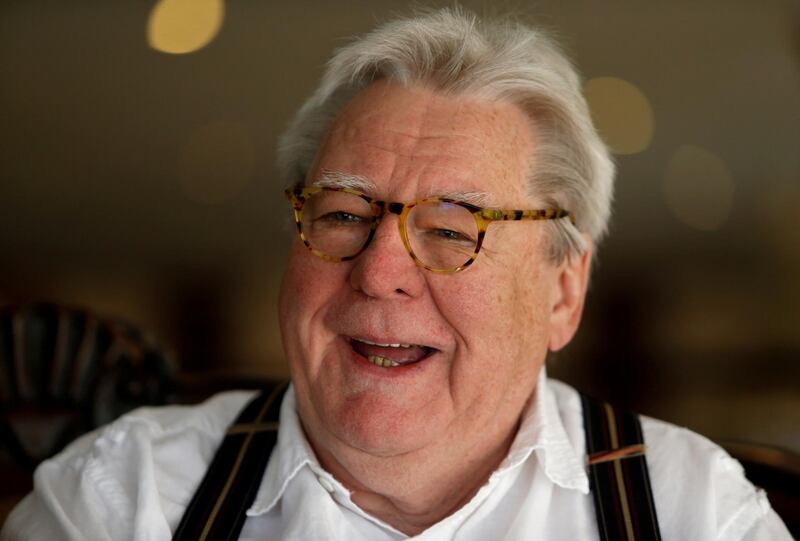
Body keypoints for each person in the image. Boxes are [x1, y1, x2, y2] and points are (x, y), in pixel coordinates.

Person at [2, 7, 791, 540]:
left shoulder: (697, 514)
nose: (380, 271)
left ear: (562, 290)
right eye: (344, 214)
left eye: (452, 229)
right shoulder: (122, 502)